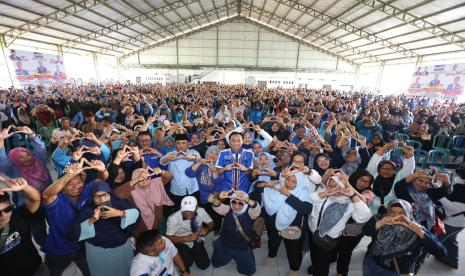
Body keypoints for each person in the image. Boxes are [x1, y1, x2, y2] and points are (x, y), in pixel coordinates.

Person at [41, 160, 100, 276]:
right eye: (70, 183)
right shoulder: (56, 201)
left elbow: (100, 181)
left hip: (82, 245)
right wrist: (68, 175)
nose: (76, 186)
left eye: (79, 182)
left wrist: (102, 170)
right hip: (59, 249)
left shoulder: (86, 192)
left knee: (90, 271)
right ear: (62, 188)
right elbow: (46, 195)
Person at [308, 174, 372, 276]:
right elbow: (309, 200)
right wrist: (324, 194)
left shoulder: (349, 202)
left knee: (322, 265)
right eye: (331, 185)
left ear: (343, 186)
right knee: (314, 255)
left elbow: (364, 217)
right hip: (313, 232)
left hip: (328, 238)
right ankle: (315, 266)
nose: (334, 189)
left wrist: (353, 196)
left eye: (337, 186)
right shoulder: (323, 192)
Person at [362, 199, 446, 276]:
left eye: (402, 213)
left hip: (394, 271)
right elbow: (365, 231)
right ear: (388, 212)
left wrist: (421, 233)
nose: (397, 216)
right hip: (371, 262)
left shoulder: (416, 228)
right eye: (392, 212)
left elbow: (441, 253)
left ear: (409, 213)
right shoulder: (380, 219)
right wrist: (381, 222)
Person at [73, 181, 140, 276]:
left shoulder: (118, 203)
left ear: (110, 194)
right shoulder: (87, 210)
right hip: (100, 254)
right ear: (92, 198)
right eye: (97, 196)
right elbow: (78, 233)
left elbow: (136, 215)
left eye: (105, 194)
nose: (102, 199)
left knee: (126, 270)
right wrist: (93, 219)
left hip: (122, 250)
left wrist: (119, 213)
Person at [262, 171, 314, 276]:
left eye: (294, 181)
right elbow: (258, 188)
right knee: (273, 242)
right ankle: (272, 255)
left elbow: (306, 209)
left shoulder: (303, 192)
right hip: (273, 223)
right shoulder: (278, 185)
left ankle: (294, 268)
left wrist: (288, 195)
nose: (289, 183)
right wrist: (265, 184)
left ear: (299, 183)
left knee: (294, 250)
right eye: (288, 179)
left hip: (292, 226)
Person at [0, 176, 44, 276]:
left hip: (38, 270)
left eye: (7, 209)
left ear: (12, 204)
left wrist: (25, 187)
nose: (4, 215)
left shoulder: (18, 216)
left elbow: (35, 200)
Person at [210, 190, 261, 276]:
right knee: (216, 264)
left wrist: (246, 200)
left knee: (249, 272)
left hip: (242, 247)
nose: (236, 206)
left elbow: (257, 210)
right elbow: (216, 206)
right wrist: (219, 197)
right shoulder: (227, 209)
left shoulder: (249, 212)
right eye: (234, 202)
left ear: (245, 204)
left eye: (240, 203)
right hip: (225, 244)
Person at [114, 167, 174, 237]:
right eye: (141, 180)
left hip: (158, 222)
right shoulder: (131, 192)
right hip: (142, 227)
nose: (145, 182)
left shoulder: (155, 184)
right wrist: (137, 179)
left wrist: (162, 172)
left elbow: (170, 176)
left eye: (147, 178)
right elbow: (117, 193)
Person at [166, 196, 213, 273]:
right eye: (185, 211)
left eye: (191, 211)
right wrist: (186, 238)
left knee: (204, 265)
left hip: (196, 238)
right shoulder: (172, 218)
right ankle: (181, 254)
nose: (188, 214)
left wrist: (206, 230)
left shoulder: (201, 211)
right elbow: (170, 238)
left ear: (196, 207)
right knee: (188, 263)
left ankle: (192, 253)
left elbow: (211, 223)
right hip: (181, 241)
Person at [160, 133, 201, 209]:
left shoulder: (193, 152)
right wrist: (168, 158)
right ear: (175, 144)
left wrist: (192, 157)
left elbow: (198, 158)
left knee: (195, 211)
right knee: (179, 212)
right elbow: (162, 161)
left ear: (188, 143)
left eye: (183, 143)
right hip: (176, 190)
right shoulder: (171, 154)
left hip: (193, 188)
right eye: (178, 143)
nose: (181, 145)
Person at [436, 165, 465, 269]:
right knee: (451, 240)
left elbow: (457, 208)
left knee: (435, 240)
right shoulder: (459, 186)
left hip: (453, 222)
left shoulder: (461, 188)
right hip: (458, 222)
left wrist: (441, 197)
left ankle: (419, 259)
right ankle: (452, 260)